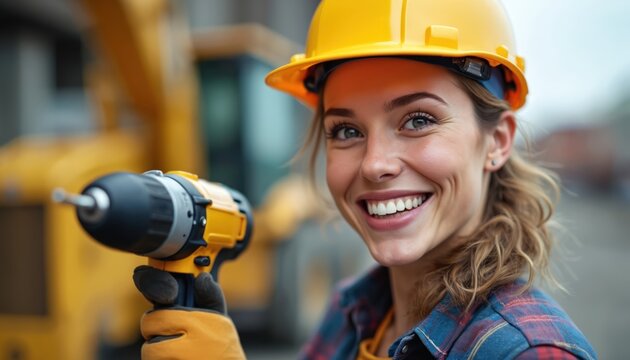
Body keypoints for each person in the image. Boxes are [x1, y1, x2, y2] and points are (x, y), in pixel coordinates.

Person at [133, 0, 597, 359]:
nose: (375, 164)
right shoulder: (352, 314)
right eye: (347, 131)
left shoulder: (527, 351)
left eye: (417, 120)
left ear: (496, 141)